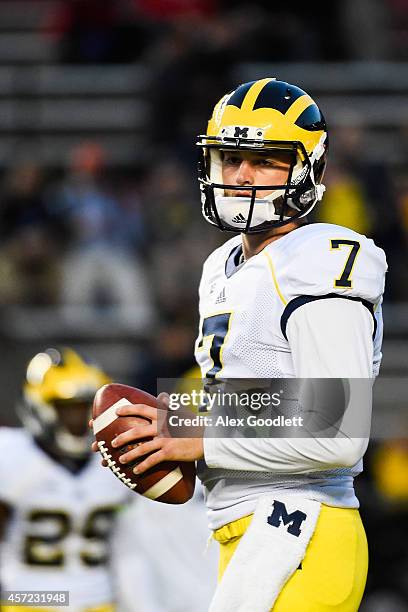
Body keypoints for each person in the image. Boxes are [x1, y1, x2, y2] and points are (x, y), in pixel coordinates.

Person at [95, 78, 387, 611]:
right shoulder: (221, 264)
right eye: (231, 158)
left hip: (301, 527)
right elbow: (252, 395)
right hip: (252, 533)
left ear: (310, 169)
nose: (243, 175)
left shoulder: (322, 255)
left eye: (267, 159)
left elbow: (341, 428)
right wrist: (170, 417)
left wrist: (201, 435)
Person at [0, 347, 131, 612]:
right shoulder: (11, 455)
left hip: (101, 602)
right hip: (28, 601)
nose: (79, 420)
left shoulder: (115, 460)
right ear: (40, 408)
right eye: (68, 409)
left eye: (84, 409)